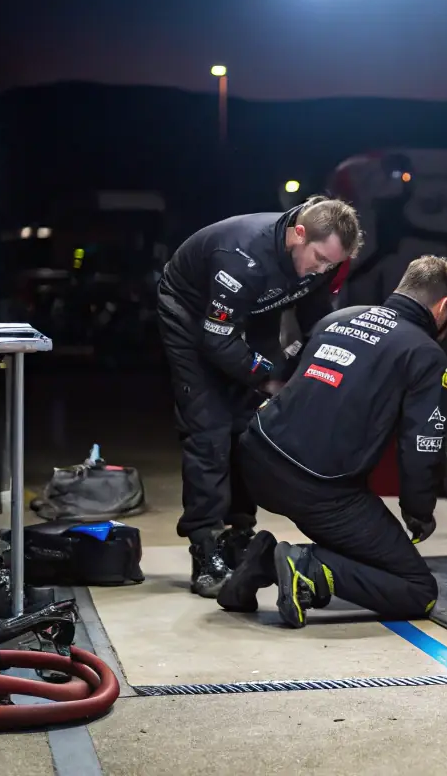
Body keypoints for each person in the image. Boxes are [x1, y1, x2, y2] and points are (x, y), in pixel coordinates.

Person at [216, 255, 447, 628]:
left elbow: (281, 379)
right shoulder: (425, 355)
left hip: (257, 456)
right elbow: (421, 444)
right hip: (319, 489)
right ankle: (308, 569)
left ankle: (265, 560)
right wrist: (418, 508)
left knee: (366, 552)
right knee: (417, 589)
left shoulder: (337, 318)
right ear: (444, 307)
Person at [156, 196, 363, 597]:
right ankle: (206, 547)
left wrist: (317, 369)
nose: (322, 269)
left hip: (255, 309)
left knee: (251, 427)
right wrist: (268, 379)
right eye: (319, 258)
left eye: (330, 265)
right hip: (192, 315)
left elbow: (315, 317)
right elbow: (217, 342)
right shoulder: (239, 256)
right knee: (210, 428)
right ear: (297, 234)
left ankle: (240, 535)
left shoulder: (318, 259)